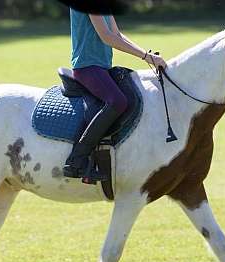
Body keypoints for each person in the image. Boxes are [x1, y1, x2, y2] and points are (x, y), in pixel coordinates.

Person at [63, 8, 167, 180]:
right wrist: (146, 57)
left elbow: (116, 34)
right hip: (87, 68)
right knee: (117, 101)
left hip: (102, 68)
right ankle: (77, 160)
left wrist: (147, 55)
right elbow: (107, 37)